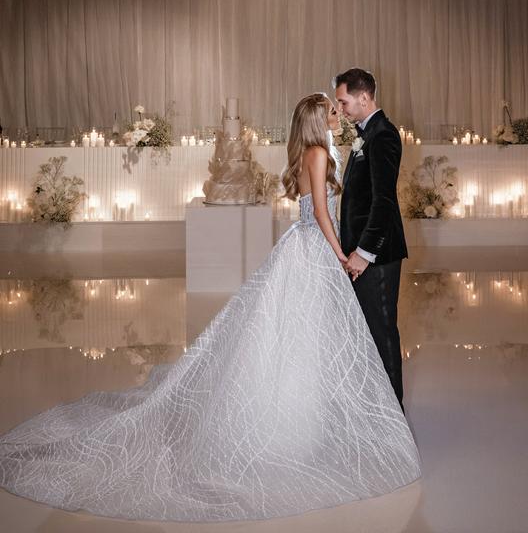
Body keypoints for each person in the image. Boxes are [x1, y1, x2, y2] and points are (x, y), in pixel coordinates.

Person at [0, 93, 420, 522]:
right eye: (332, 111)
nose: (338, 116)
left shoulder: (319, 151)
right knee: (299, 334)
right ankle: (291, 428)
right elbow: (322, 219)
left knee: (308, 336)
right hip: (315, 249)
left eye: (339, 108)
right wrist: (340, 255)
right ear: (316, 120)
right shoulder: (316, 153)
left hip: (309, 250)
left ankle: (311, 420)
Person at [334, 68, 408, 408]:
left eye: (344, 101)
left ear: (364, 98)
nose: (342, 109)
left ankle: (394, 411)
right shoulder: (367, 134)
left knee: (382, 330)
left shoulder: (384, 135)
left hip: (377, 254)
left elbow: (384, 201)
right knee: (366, 330)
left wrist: (364, 252)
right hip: (360, 250)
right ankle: (373, 405)